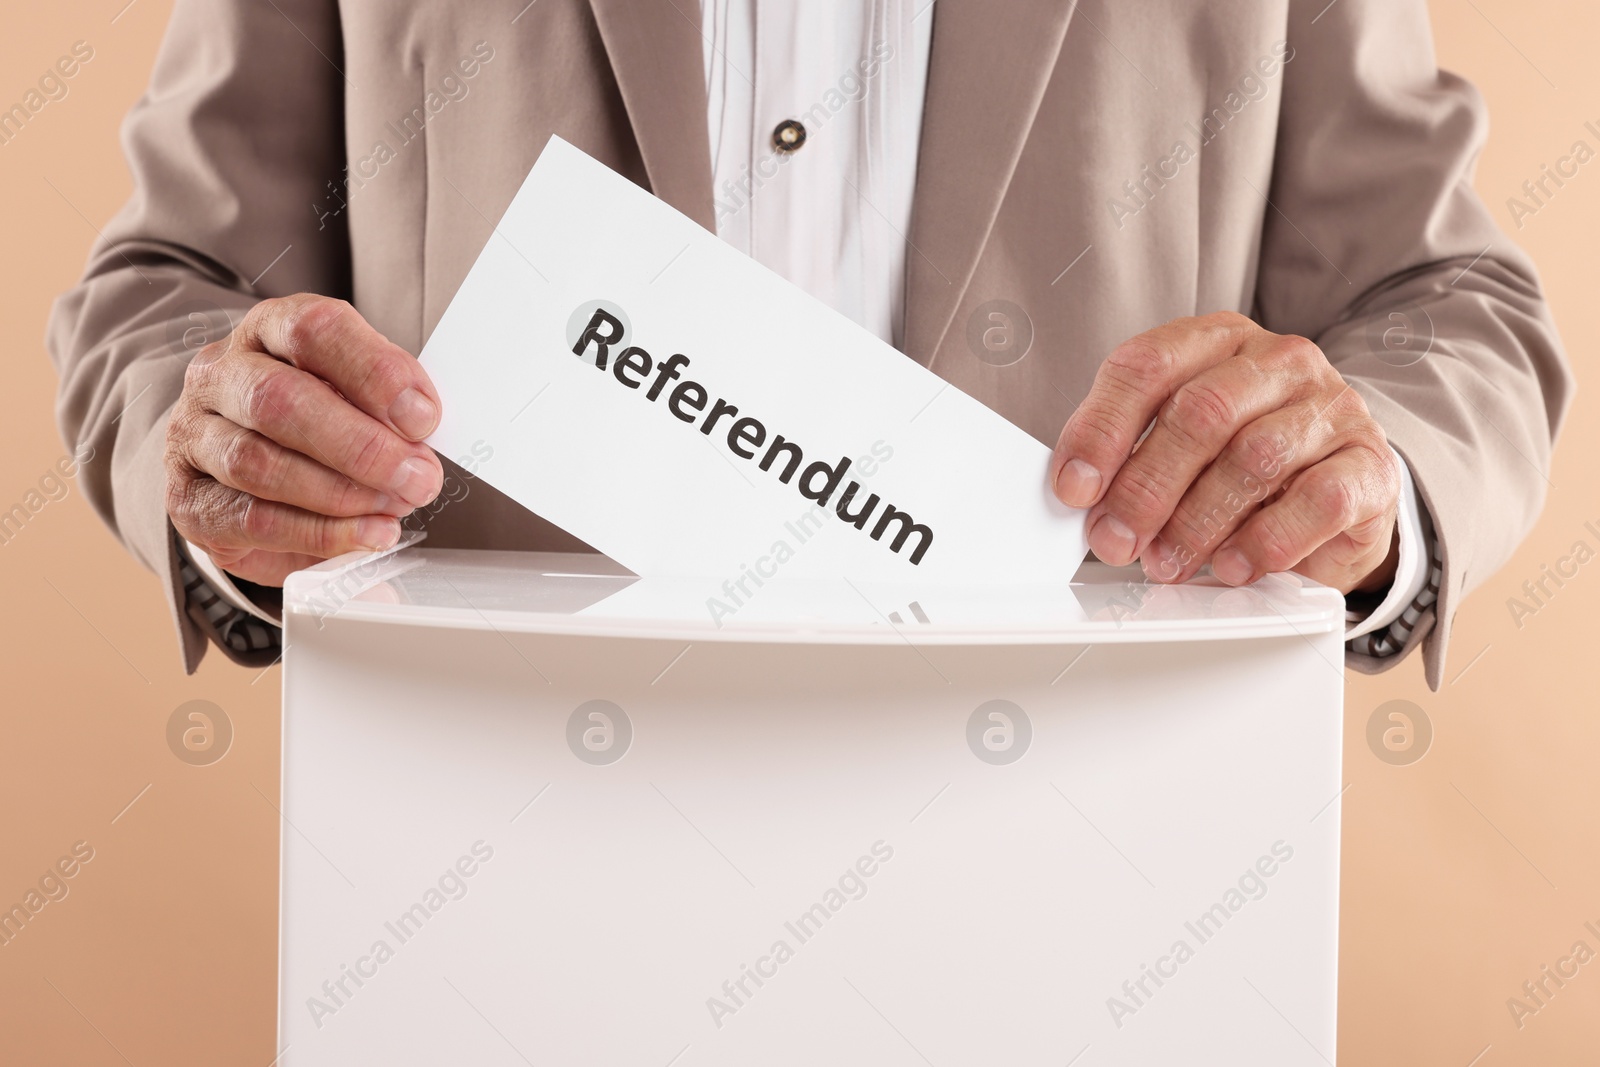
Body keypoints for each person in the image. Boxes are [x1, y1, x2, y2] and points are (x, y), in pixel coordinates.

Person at [47, 0, 1570, 688]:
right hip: (486, 879)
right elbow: (165, 284)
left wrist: (1366, 472)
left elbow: (1450, 306)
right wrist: (226, 440)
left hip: (1093, 893)